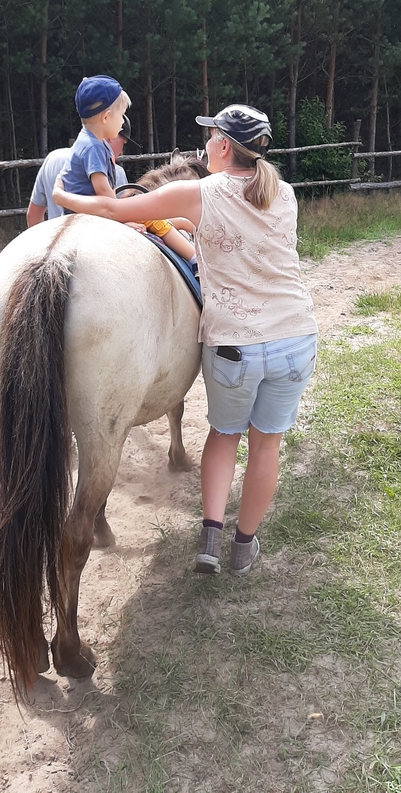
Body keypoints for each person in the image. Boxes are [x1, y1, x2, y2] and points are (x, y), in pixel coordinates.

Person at [52, 104, 318, 576]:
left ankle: (210, 540)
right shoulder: (283, 192)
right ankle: (243, 547)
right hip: (296, 338)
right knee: (266, 447)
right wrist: (170, 227)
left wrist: (61, 195)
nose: (207, 142)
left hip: (235, 346)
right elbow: (225, 235)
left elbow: (112, 208)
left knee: (224, 435)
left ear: (222, 145)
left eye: (212, 135)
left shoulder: (199, 192)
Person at [59, 75, 132, 199]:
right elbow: (103, 191)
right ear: (106, 117)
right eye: (121, 115)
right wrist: (120, 205)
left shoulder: (87, 140)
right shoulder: (93, 147)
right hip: (88, 210)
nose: (122, 122)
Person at [108, 112, 141, 188]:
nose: (121, 152)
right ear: (113, 136)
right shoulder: (117, 172)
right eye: (123, 144)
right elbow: (121, 196)